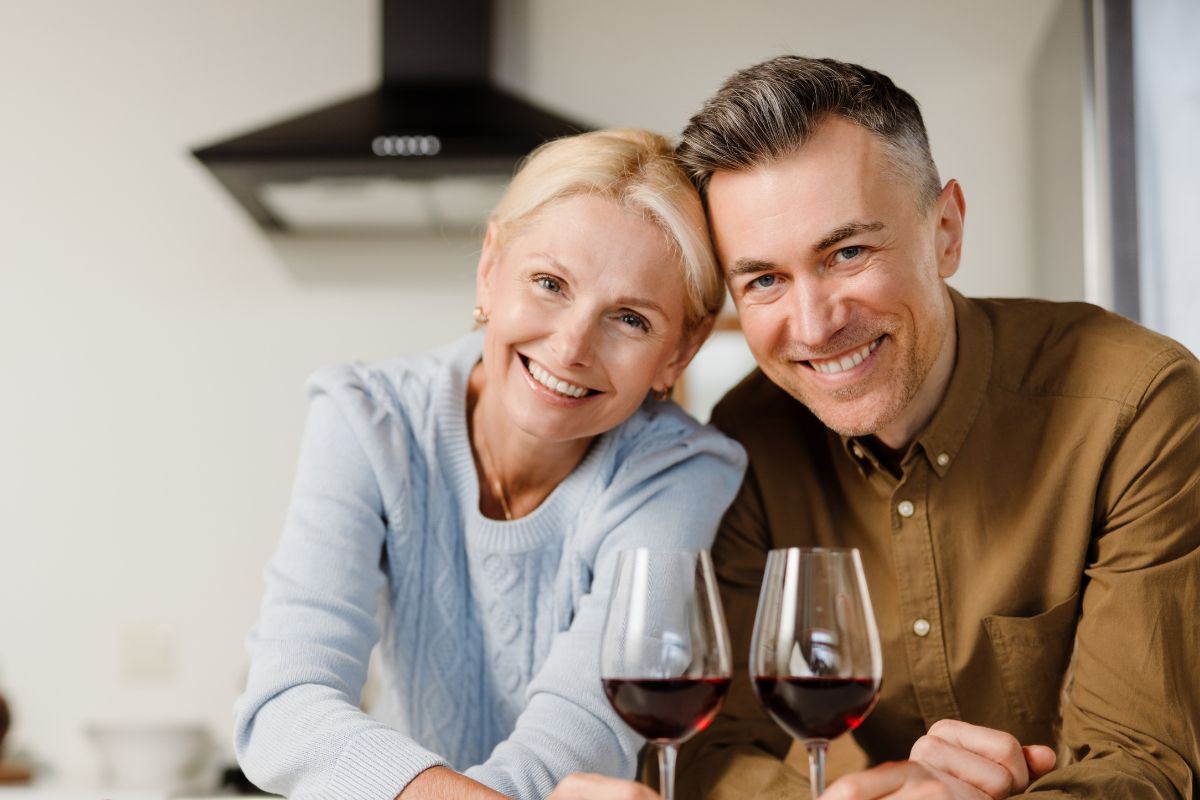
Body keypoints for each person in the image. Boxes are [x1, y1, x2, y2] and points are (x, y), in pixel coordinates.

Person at [559, 56, 1200, 799]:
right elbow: (717, 750)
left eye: (848, 252)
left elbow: (1141, 767)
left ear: (947, 230)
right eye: (764, 279)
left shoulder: (1138, 405)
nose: (814, 325)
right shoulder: (747, 439)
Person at [233, 128, 747, 800]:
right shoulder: (367, 417)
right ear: (490, 268)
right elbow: (284, 701)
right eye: (549, 283)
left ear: (682, 350)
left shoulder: (680, 471)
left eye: (629, 319)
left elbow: (579, 730)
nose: (569, 348)